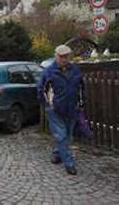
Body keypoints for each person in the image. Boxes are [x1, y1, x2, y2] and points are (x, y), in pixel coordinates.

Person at [37, 44, 85, 175]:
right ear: (55, 56)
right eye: (61, 57)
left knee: (67, 136)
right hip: (54, 109)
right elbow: (41, 90)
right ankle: (69, 163)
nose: (63, 59)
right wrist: (48, 106)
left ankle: (57, 154)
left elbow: (80, 87)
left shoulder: (75, 70)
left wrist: (80, 103)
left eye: (66, 57)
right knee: (62, 136)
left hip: (71, 108)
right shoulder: (49, 72)